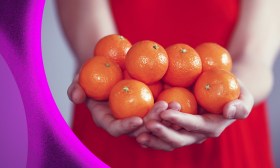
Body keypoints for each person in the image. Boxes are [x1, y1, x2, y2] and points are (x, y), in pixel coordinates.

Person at [56, 0, 280, 167]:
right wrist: (105, 84)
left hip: (225, 126)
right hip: (116, 112)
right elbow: (102, 54)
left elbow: (254, 59)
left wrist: (234, 92)